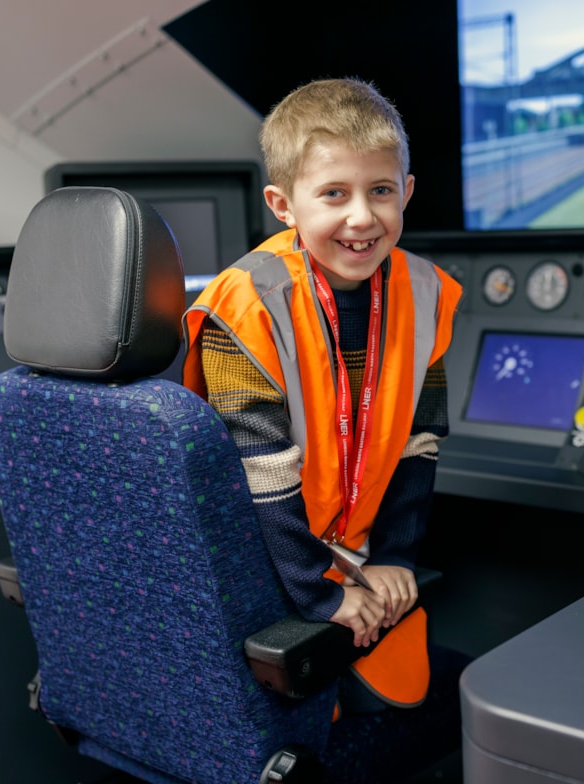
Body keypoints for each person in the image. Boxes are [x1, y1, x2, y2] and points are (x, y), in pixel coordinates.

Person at [181, 77, 462, 711]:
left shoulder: (427, 294)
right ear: (284, 205)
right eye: (334, 193)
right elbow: (261, 474)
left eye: (381, 191)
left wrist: (394, 557)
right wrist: (321, 594)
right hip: (264, 551)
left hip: (359, 546)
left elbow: (420, 441)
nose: (362, 217)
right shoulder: (245, 306)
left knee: (410, 700)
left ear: (407, 192)